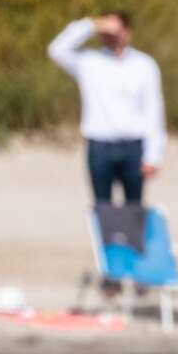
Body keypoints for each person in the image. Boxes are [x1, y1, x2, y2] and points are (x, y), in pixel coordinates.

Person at [48, 12, 167, 211]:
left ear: (128, 32)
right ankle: (106, 242)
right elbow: (57, 50)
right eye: (107, 31)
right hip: (99, 146)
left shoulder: (144, 65)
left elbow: (154, 111)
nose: (112, 35)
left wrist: (153, 156)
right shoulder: (89, 62)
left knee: (134, 209)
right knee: (102, 208)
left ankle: (133, 243)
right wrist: (92, 24)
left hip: (133, 147)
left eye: (118, 30)